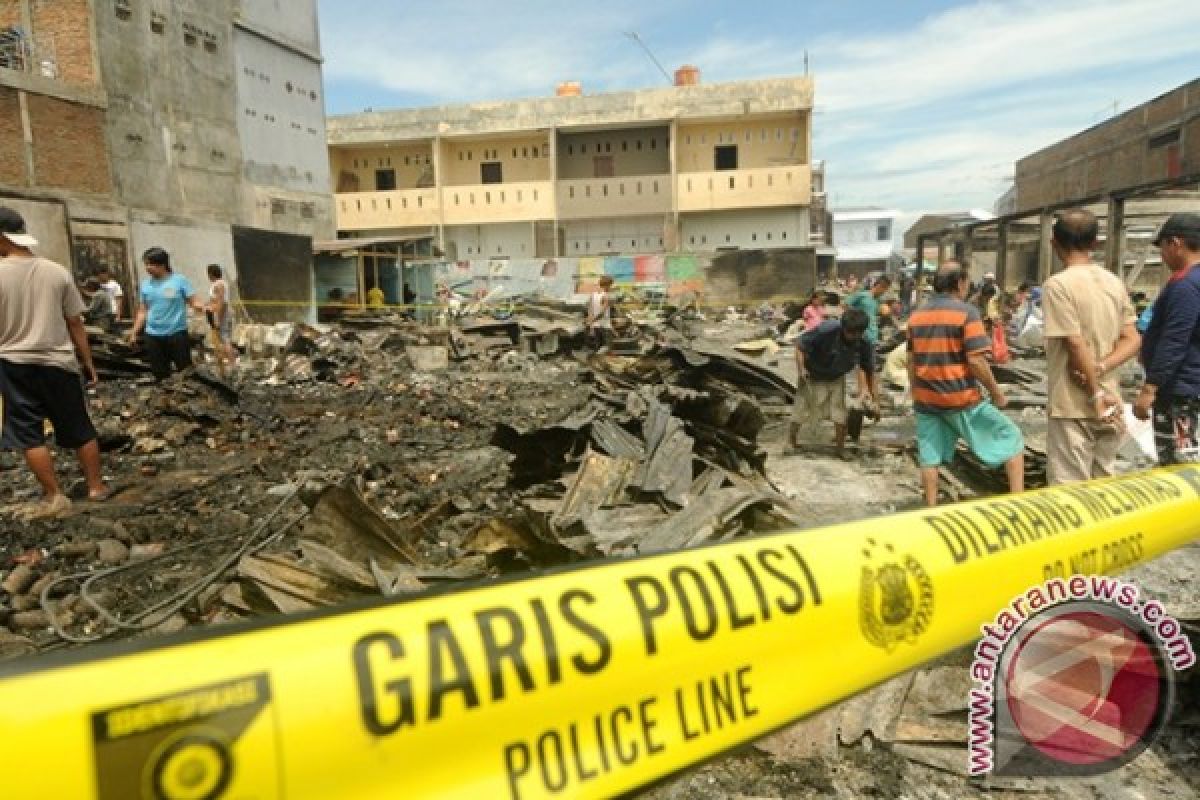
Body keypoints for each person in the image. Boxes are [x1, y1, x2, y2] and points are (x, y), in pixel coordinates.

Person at [0, 206, 108, 518]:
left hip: (13, 364)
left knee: (28, 433)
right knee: (79, 426)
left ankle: (54, 494)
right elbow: (75, 323)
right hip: (59, 362)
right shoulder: (57, 272)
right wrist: (88, 363)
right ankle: (96, 487)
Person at [907, 262, 1024, 507]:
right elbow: (976, 360)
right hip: (959, 398)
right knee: (1011, 436)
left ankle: (930, 508)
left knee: (930, 457)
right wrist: (996, 392)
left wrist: (916, 391)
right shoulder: (966, 312)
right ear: (959, 283)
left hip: (927, 399)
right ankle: (1018, 501)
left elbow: (911, 360)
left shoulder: (917, 316)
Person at [1040, 210, 1141, 483]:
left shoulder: (1058, 286)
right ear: (1095, 243)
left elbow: (1074, 342)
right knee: (1104, 487)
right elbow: (1132, 339)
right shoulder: (1113, 282)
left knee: (1070, 492)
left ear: (1054, 243)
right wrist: (1101, 368)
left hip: (1074, 404)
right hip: (1112, 402)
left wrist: (1094, 392)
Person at [1134, 212, 1200, 464]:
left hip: (1178, 391)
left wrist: (1150, 388)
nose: (1161, 255)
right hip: (1190, 384)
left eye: (1162, 246)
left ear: (1176, 243)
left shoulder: (1185, 285)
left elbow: (1174, 339)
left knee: (1177, 461)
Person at [789, 308, 878, 458]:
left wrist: (874, 398)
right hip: (812, 375)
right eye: (850, 333)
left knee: (840, 414)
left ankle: (840, 449)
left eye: (858, 333)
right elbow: (800, 346)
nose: (854, 337)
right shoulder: (826, 330)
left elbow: (868, 369)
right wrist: (801, 369)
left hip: (836, 376)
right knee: (801, 409)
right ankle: (791, 441)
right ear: (843, 328)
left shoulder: (864, 342)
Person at [128, 247, 202, 381]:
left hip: (176, 334)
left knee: (186, 371)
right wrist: (134, 332)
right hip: (153, 336)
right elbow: (142, 311)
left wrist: (205, 307)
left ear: (162, 264)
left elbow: (194, 301)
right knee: (160, 373)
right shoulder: (146, 285)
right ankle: (166, 398)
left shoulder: (179, 281)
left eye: (150, 264)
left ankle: (189, 399)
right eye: (146, 264)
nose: (147, 268)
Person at [845, 275, 892, 346]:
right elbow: (845, 305)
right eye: (885, 289)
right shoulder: (862, 295)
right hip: (860, 337)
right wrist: (854, 323)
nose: (884, 292)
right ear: (880, 286)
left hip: (872, 337)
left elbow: (876, 315)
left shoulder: (878, 301)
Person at [205, 264, 236, 372]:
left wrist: (218, 318)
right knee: (222, 339)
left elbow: (221, 302)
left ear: (211, 274)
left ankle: (232, 365)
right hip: (219, 314)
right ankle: (225, 362)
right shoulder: (219, 284)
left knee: (225, 339)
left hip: (221, 315)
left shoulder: (218, 285)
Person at [586, 275, 614, 348]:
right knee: (607, 346)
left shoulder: (593, 295)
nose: (610, 287)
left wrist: (591, 322)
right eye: (610, 285)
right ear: (607, 285)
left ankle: (597, 358)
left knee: (598, 346)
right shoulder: (606, 296)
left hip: (596, 326)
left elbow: (590, 310)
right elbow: (602, 313)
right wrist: (593, 320)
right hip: (604, 325)